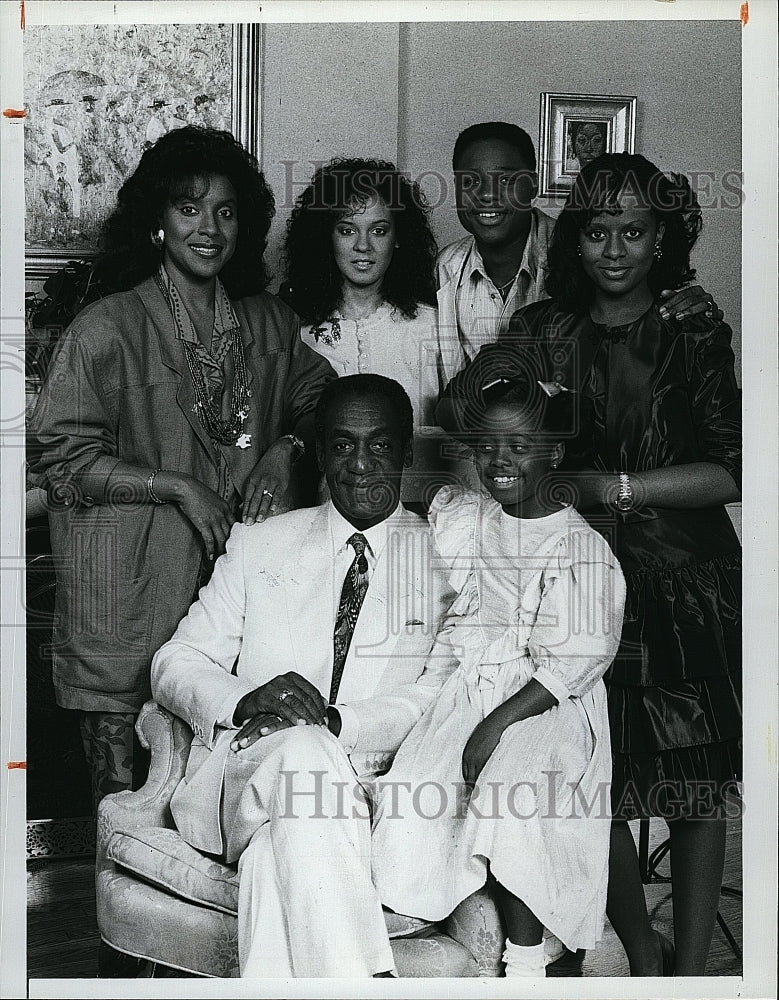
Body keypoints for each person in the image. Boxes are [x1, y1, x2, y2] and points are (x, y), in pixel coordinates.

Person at [440, 152, 742, 976]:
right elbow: (467, 407)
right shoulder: (546, 328)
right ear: (573, 240)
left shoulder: (689, 326)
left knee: (690, 787)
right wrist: (507, 381)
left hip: (683, 581)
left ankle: (686, 977)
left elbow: (731, 468)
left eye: (634, 232)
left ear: (661, 239)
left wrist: (614, 485)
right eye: (598, 230)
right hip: (570, 584)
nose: (614, 249)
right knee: (590, 778)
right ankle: (641, 961)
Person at [29, 125, 334, 809]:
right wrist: (175, 485)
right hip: (131, 595)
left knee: (226, 789)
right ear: (156, 221)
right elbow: (65, 465)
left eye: (225, 211)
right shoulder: (107, 328)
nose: (208, 228)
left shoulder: (268, 323)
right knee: (128, 808)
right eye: (188, 208)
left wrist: (288, 448)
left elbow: (327, 406)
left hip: (234, 606)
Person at [151, 374, 457, 978]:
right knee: (303, 753)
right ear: (320, 452)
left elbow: (438, 695)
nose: (361, 465)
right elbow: (173, 662)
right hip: (252, 771)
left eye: (380, 446)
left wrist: (336, 723)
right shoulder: (260, 544)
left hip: (377, 791)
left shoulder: (448, 559)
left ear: (407, 451)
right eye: (343, 445)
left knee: (274, 864)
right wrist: (246, 699)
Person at [371, 367, 626, 978]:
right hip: (469, 689)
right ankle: (403, 935)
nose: (501, 461)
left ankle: (527, 963)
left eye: (520, 447)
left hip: (544, 702)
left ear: (554, 451)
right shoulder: (470, 519)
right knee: (411, 795)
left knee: (512, 787)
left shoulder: (579, 546)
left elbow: (574, 662)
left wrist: (492, 727)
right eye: (487, 449)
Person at [435, 121, 723, 389]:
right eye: (471, 181)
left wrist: (698, 311)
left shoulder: (583, 260)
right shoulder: (444, 268)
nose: (613, 251)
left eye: (506, 179)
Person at [281, 157, 445, 508]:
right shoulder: (296, 333)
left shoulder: (434, 327)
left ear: (399, 237)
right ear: (325, 237)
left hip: (419, 516)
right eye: (347, 229)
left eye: (379, 230)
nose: (363, 246)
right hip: (319, 518)